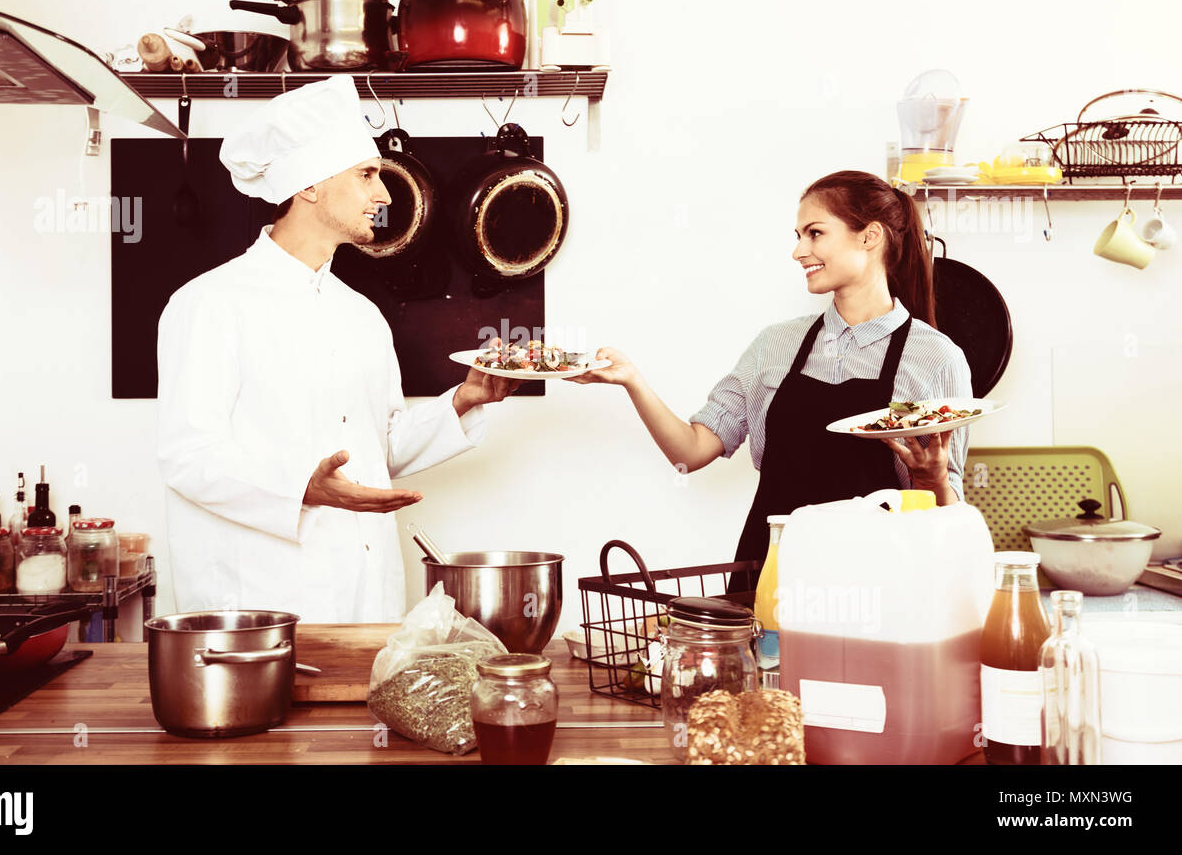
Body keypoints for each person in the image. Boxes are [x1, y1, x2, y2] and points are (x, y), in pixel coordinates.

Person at [156, 75, 517, 622]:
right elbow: (189, 457)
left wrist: (463, 401)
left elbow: (377, 448)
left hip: (365, 593)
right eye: (367, 174)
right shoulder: (210, 304)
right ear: (308, 186)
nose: (386, 194)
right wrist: (304, 486)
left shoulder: (360, 315)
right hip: (262, 604)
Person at [571, 170, 972, 587]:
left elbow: (948, 518)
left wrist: (932, 478)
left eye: (815, 234)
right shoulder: (775, 346)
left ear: (870, 237)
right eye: (798, 235)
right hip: (770, 577)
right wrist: (633, 380)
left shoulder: (935, 359)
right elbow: (689, 453)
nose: (799, 251)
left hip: (878, 582)